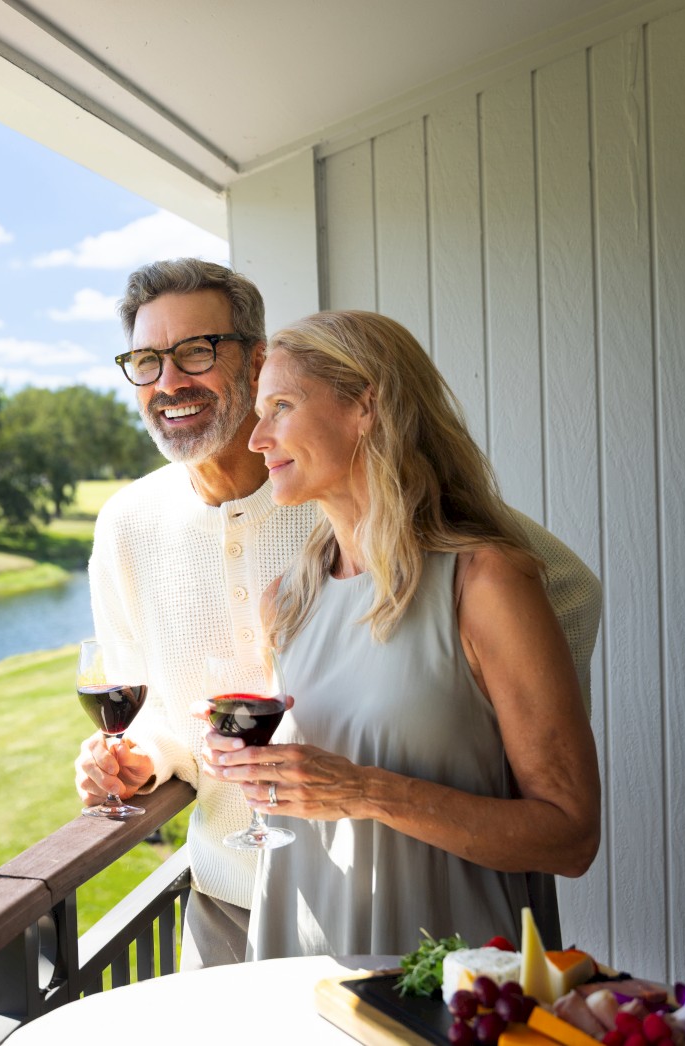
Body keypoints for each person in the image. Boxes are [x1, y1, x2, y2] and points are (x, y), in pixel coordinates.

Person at [76, 260, 601, 968]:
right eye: (146, 361)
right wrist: (147, 756)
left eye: (195, 351)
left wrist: (482, 726)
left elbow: (558, 592)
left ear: (255, 359)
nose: (170, 381)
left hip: (435, 931)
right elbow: (167, 716)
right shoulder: (165, 542)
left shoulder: (450, 558)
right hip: (254, 912)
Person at [200, 309, 601, 959]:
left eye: (279, 406)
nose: (256, 438)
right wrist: (245, 759)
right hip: (300, 968)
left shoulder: (486, 584)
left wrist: (363, 791)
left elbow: (570, 838)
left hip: (446, 977)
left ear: (365, 405)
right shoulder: (289, 599)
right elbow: (309, 778)